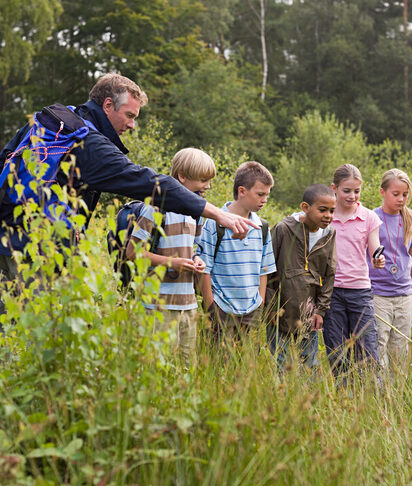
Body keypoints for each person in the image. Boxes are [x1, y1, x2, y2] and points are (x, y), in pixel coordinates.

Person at [0, 73, 254, 313]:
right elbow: (151, 184)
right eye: (129, 115)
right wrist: (217, 214)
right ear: (108, 105)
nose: (132, 125)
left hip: (6, 236)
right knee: (35, 333)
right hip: (37, 252)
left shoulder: (55, 121)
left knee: (8, 327)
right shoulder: (89, 143)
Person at [126, 148, 216, 368]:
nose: (208, 186)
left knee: (187, 368)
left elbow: (190, 249)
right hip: (159, 305)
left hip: (188, 304)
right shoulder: (156, 208)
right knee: (159, 368)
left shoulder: (196, 212)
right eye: (203, 180)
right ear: (182, 177)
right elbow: (132, 252)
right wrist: (172, 263)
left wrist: (197, 260)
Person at [198, 161, 276, 344]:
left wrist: (260, 302)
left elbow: (264, 270)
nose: (264, 199)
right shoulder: (214, 223)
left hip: (251, 311)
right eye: (260, 194)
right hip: (221, 309)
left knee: (245, 368)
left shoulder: (262, 227)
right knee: (217, 365)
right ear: (242, 191)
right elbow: (203, 269)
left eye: (267, 194)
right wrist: (211, 307)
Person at [322, 163, 385, 380]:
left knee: (367, 349)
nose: (352, 195)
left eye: (356, 191)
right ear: (335, 188)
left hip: (359, 291)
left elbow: (374, 245)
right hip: (332, 292)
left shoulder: (368, 217)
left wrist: (378, 256)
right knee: (337, 351)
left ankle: (372, 397)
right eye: (346, 190)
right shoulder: (326, 218)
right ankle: (342, 397)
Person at [266, 184, 337, 373]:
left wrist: (321, 311)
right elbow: (269, 269)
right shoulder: (283, 229)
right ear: (305, 207)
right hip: (280, 311)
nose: (328, 215)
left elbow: (329, 274)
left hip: (309, 312)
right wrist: (271, 309)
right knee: (280, 362)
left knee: (310, 365)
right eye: (322, 210)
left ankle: (309, 401)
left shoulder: (330, 235)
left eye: (332, 211)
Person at [367, 168, 412, 375]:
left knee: (400, 345)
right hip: (378, 293)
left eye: (405, 194)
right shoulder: (371, 218)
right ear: (382, 192)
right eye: (396, 194)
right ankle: (379, 388)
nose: (401, 199)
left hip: (404, 294)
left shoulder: (410, 218)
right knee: (379, 341)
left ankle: (398, 390)